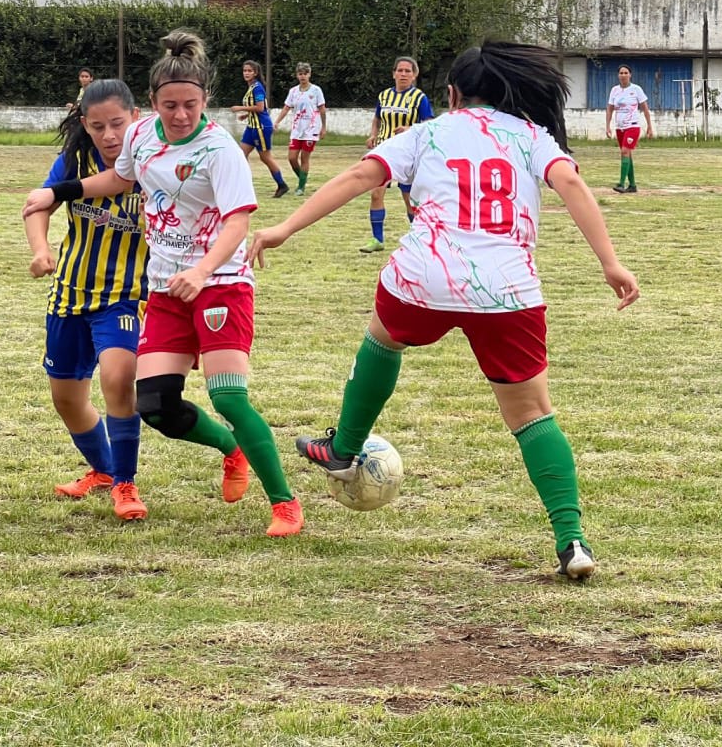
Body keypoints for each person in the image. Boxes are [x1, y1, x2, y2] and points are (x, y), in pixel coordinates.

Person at [249, 40, 640, 579]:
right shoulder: (531, 136)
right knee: (531, 414)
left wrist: (283, 228)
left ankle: (343, 446)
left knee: (384, 336)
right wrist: (611, 264)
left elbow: (361, 176)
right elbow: (570, 182)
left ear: (451, 93)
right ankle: (572, 540)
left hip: (424, 278)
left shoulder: (427, 133)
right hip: (507, 290)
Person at [24, 30, 304, 536]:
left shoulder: (219, 150)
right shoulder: (141, 135)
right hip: (165, 291)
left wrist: (201, 271)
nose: (180, 115)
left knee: (229, 398)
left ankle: (284, 503)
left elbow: (238, 223)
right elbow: (120, 180)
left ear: (206, 102)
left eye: (191, 105)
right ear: (152, 104)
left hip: (220, 284)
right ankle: (231, 449)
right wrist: (58, 193)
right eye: (170, 105)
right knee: (154, 403)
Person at [24, 79, 149, 521]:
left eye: (118, 123)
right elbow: (38, 204)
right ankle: (103, 469)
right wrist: (41, 250)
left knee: (119, 379)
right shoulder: (74, 159)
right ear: (85, 125)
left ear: (135, 117)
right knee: (67, 399)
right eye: (99, 126)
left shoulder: (154, 160)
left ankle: (126, 484)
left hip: (125, 297)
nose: (110, 135)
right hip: (70, 296)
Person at [359, 56, 432, 253]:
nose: (403, 74)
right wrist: (373, 134)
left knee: (409, 198)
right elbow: (377, 118)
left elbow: (429, 123)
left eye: (408, 71)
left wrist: (410, 128)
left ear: (414, 75)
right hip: (384, 151)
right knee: (376, 193)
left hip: (408, 153)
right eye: (400, 70)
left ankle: (418, 239)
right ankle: (377, 239)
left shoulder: (419, 98)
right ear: (393, 73)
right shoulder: (384, 96)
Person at [234, 60, 290, 198]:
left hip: (261, 127)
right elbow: (259, 107)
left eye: (249, 71)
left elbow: (260, 108)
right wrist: (246, 115)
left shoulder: (258, 87)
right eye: (244, 71)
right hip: (252, 127)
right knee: (240, 154)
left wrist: (240, 108)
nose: (246, 73)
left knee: (265, 157)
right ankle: (244, 184)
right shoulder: (251, 87)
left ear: (255, 73)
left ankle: (282, 185)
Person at [274, 62, 327, 196]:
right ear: (297, 75)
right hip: (297, 129)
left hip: (311, 128)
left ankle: (301, 187)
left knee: (304, 158)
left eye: (305, 73)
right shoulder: (293, 91)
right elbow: (287, 107)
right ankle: (302, 179)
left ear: (309, 74)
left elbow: (322, 109)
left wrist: (323, 127)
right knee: (292, 158)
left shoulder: (316, 90)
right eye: (300, 74)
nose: (303, 76)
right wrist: (277, 122)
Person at [605, 65, 653, 193]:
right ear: (618, 75)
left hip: (632, 126)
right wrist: (608, 126)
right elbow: (609, 109)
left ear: (630, 75)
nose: (623, 75)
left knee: (625, 151)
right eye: (621, 73)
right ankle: (632, 185)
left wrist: (649, 126)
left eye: (626, 72)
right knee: (627, 154)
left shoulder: (636, 89)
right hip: (620, 127)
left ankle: (621, 183)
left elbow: (645, 108)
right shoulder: (614, 90)